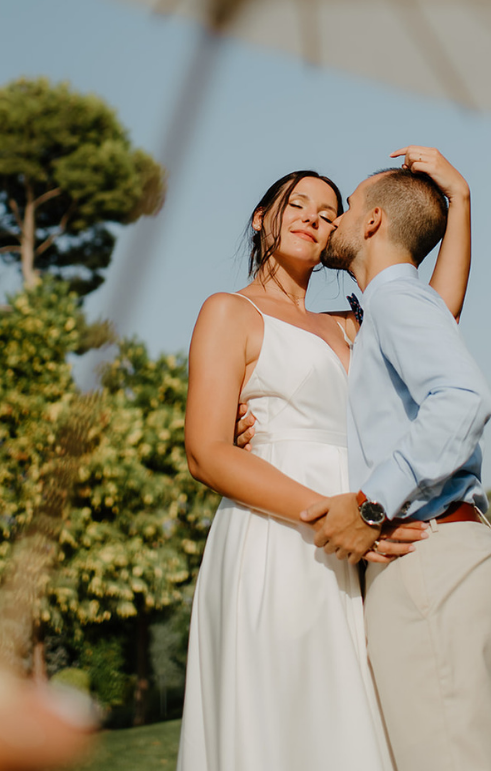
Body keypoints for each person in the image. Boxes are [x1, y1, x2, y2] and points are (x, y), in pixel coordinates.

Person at [177, 148, 471, 771]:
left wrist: (460, 202)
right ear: (262, 218)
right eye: (298, 204)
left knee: (356, 720)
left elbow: (438, 317)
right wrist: (332, 516)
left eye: (329, 210)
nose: (314, 216)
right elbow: (206, 453)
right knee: (286, 713)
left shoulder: (350, 325)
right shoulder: (229, 312)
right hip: (279, 537)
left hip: (361, 538)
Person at [307, 164, 491, 771]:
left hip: (426, 549)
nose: (332, 220)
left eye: (344, 208)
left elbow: (465, 399)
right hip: (433, 551)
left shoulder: (395, 299)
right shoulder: (394, 305)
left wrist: (372, 505)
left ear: (372, 221)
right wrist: (462, 199)